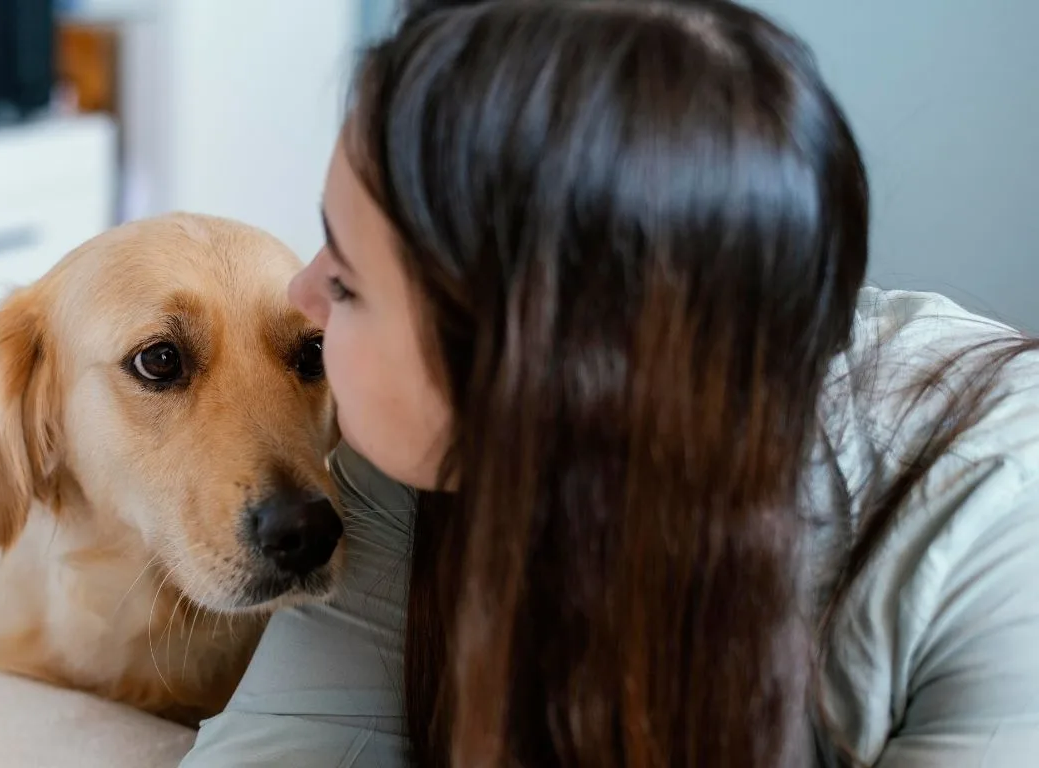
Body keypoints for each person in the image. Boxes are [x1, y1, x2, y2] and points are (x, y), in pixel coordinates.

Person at [181, 0, 1039, 765]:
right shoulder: (411, 469)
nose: (304, 293)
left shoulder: (997, 536)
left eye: (351, 282)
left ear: (530, 365)